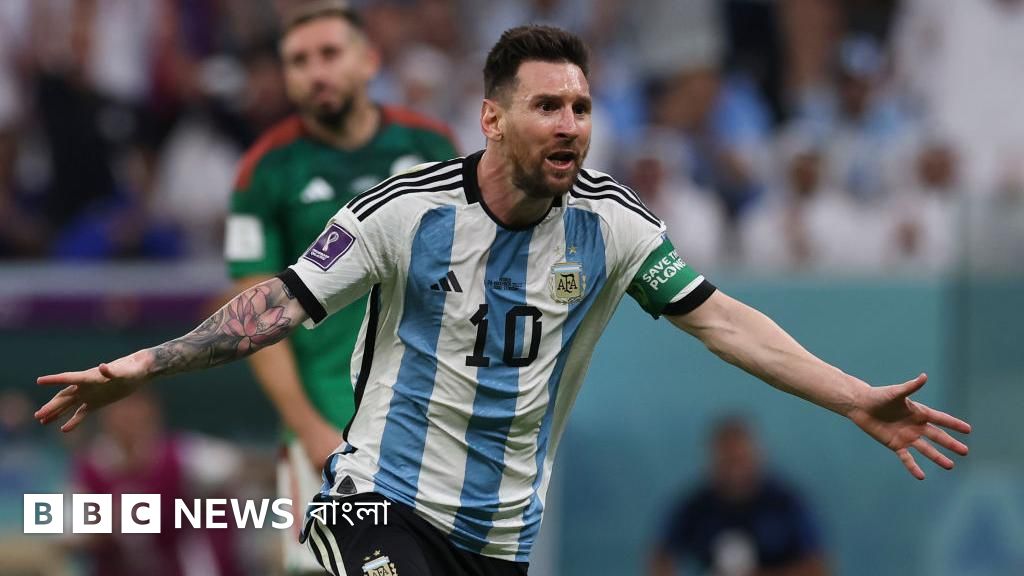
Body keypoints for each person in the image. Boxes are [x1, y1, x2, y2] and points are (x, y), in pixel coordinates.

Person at [35, 25, 971, 576]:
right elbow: (272, 305)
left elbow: (722, 321)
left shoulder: (613, 227)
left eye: (581, 108)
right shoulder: (402, 214)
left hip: (500, 537)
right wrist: (140, 366)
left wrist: (853, 396)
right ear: (492, 117)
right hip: (378, 500)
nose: (570, 125)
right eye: (547, 107)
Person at [223, 1, 457, 573]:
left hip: (427, 430)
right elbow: (254, 319)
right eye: (299, 61)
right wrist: (308, 429)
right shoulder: (264, 171)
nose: (315, 72)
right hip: (325, 429)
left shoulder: (433, 150)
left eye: (329, 53)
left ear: (369, 60)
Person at [649, 417, 827, 576]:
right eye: (727, 461)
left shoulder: (785, 503)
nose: (735, 471)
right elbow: (661, 555)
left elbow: (817, 566)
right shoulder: (696, 506)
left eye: (740, 459)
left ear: (757, 456)